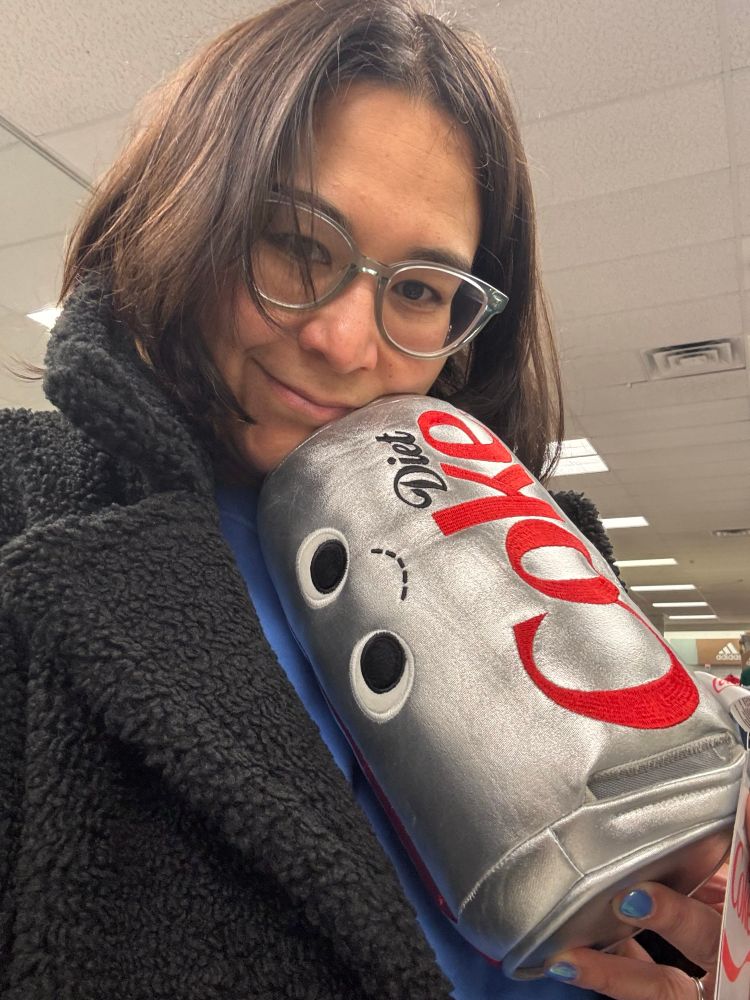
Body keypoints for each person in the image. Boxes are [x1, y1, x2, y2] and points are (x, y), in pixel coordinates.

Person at [0, 1, 724, 997]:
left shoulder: (554, 559)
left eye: (420, 289)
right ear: (185, 213)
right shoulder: (23, 511)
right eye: (296, 245)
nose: (345, 341)